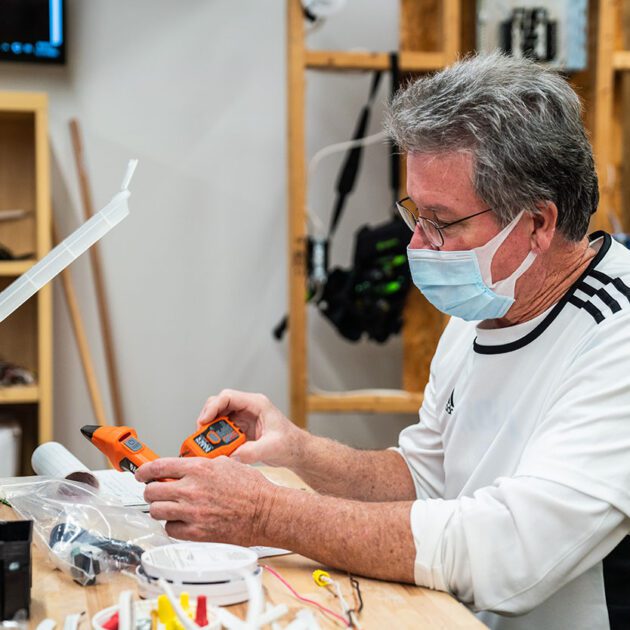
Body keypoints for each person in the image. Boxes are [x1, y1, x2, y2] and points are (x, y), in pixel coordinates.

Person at [136, 53, 630, 630]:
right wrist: (297, 449)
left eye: (443, 222)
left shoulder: (612, 336)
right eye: (415, 213)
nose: (419, 244)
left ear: (539, 225)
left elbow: (508, 551)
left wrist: (265, 511)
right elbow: (427, 479)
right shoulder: (490, 297)